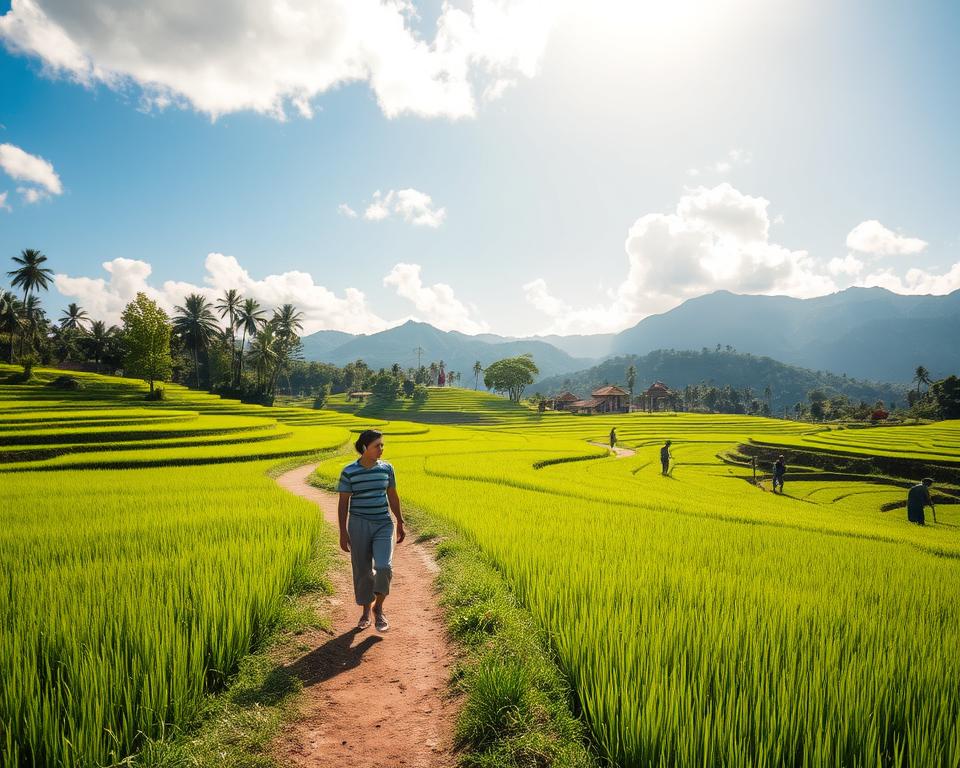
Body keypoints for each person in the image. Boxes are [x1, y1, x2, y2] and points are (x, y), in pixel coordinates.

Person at [337, 429, 405, 632]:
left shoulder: (387, 469)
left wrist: (400, 521)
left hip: (384, 523)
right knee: (363, 570)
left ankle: (379, 608)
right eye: (377, 445)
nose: (381, 449)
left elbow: (393, 496)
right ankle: (365, 611)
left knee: (384, 567)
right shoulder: (349, 472)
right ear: (365, 447)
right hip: (359, 524)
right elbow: (343, 504)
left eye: (382, 445)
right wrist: (343, 531)